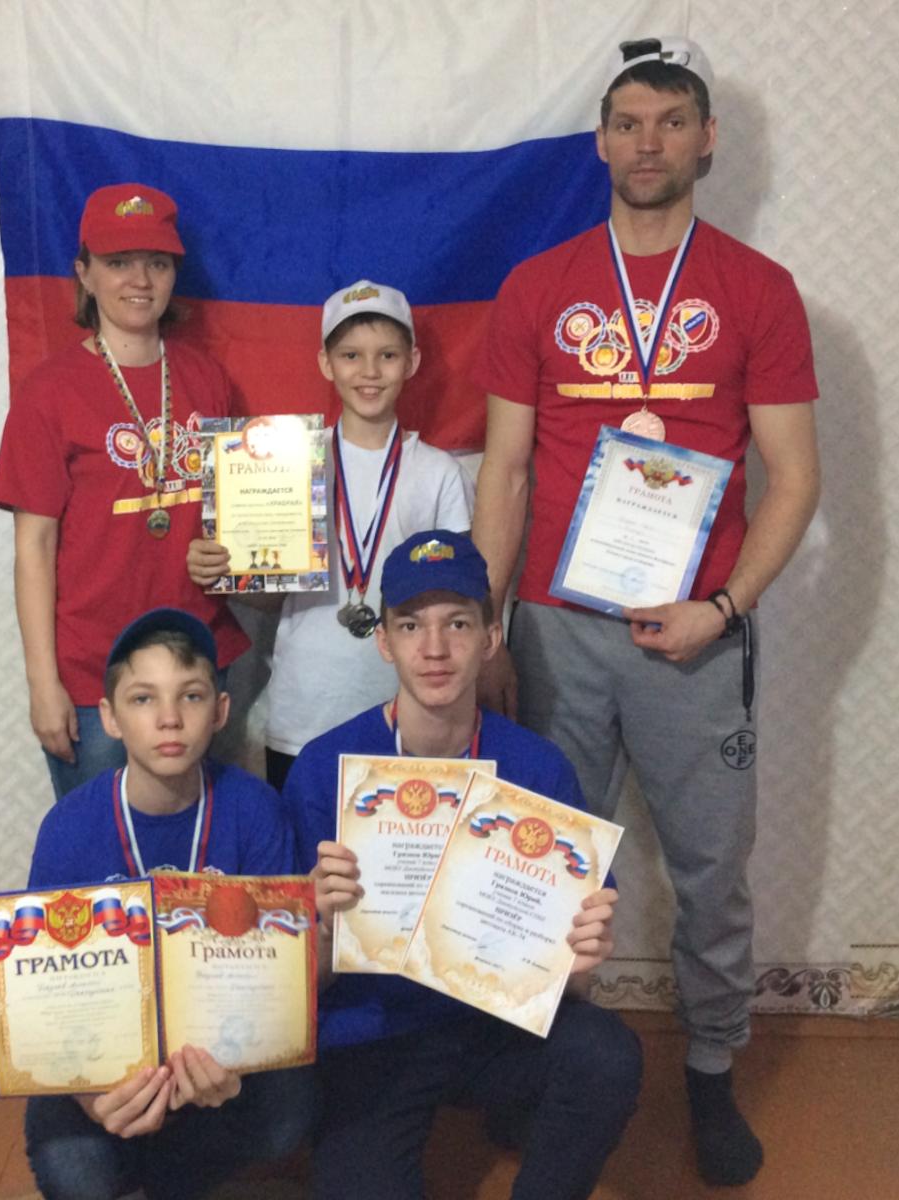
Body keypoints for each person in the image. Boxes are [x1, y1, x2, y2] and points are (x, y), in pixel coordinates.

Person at [471, 37, 820, 1187]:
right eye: (626, 122)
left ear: (706, 138)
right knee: (543, 861)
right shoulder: (537, 285)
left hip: (693, 636)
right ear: (599, 142)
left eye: (670, 121)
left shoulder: (756, 289)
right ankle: (543, 1064)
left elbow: (794, 477)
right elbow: (504, 471)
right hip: (556, 627)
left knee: (710, 872)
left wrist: (723, 605)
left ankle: (709, 1070)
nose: (647, 141)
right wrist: (484, 627)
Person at [285, 530, 642, 1200]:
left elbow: (570, 985)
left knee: (606, 1057)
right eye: (410, 625)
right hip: (373, 1032)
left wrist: (579, 959)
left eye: (457, 623)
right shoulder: (323, 768)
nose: (434, 648)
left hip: (493, 1024)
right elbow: (300, 984)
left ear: (490, 638)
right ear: (383, 641)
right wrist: (322, 926)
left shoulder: (537, 768)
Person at [24, 607, 311, 1199]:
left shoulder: (256, 810)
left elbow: (275, 978)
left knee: (290, 1114)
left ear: (220, 711)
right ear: (110, 717)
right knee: (74, 1173)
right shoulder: (67, 827)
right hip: (107, 1055)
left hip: (214, 1047)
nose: (170, 718)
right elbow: (43, 997)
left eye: (192, 696)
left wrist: (235, 1064)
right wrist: (89, 1095)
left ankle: (172, 1168)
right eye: (143, 699)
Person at [0, 183, 249, 799]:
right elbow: (34, 547)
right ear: (84, 273)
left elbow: (238, 518)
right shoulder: (49, 391)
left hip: (197, 661)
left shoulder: (207, 378)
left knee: (200, 842)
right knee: (105, 847)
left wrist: (228, 560)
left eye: (157, 262)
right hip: (94, 674)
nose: (140, 280)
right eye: (118, 261)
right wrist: (42, 683)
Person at [188, 281, 474, 790]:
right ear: (326, 363)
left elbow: (457, 599)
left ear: (412, 362)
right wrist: (226, 573)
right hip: (306, 711)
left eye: (387, 355)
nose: (369, 371)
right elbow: (271, 598)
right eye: (351, 355)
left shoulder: (439, 473)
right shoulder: (283, 462)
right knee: (304, 843)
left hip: (407, 711)